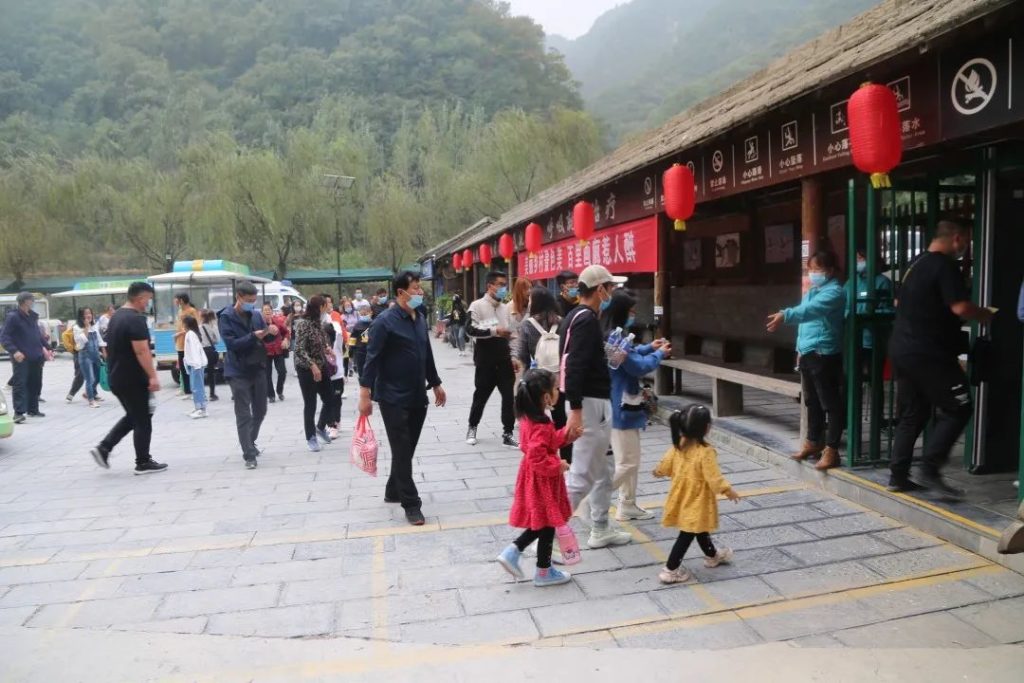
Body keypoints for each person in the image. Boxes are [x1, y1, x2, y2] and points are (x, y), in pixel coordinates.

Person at [887, 218, 994, 496]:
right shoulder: (944, 266)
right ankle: (930, 468)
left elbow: (898, 301)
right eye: (967, 241)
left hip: (902, 348)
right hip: (928, 352)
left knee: (913, 413)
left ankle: (898, 476)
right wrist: (984, 314)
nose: (965, 247)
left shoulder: (914, 264)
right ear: (957, 238)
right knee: (959, 407)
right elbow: (960, 307)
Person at [359, 270, 446, 526]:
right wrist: (364, 394)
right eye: (416, 288)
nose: (420, 292)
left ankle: (393, 489)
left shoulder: (419, 318)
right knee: (401, 447)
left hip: (418, 394)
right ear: (401, 292)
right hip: (393, 397)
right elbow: (371, 359)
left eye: (420, 287)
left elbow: (426, 354)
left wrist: (436, 383)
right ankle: (411, 504)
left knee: (406, 448)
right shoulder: (384, 322)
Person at [560, 264, 633, 548]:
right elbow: (574, 365)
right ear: (600, 289)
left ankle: (600, 527)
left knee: (604, 469)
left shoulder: (576, 316)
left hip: (591, 403)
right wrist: (576, 410)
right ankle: (546, 534)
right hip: (590, 405)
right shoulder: (586, 320)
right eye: (610, 288)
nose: (611, 293)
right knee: (581, 477)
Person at [495, 369, 583, 587]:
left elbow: (545, 443)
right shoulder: (541, 423)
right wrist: (558, 466)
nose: (558, 391)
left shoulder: (529, 418)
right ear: (546, 396)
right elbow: (538, 455)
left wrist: (567, 436)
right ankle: (532, 564)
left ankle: (526, 559)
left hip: (534, 476)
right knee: (547, 522)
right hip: (543, 480)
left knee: (545, 522)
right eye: (555, 388)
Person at [766, 250, 847, 470]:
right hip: (809, 352)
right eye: (810, 269)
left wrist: (786, 315)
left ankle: (832, 449)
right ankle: (813, 441)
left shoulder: (835, 292)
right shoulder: (813, 291)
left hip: (824, 352)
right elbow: (805, 321)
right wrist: (799, 349)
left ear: (830, 270)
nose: (812, 273)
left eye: (817, 269)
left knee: (830, 403)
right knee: (812, 401)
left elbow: (810, 311)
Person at [653, 405, 739, 584]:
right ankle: (670, 570)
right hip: (697, 500)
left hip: (681, 497)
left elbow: (665, 466)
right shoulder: (705, 451)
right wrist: (728, 490)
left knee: (698, 528)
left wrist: (658, 471)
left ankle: (712, 556)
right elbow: (714, 478)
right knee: (687, 534)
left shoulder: (679, 445)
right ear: (707, 427)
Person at [604, 290, 670, 521]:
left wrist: (649, 347)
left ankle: (627, 504)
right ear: (621, 312)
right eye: (631, 311)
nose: (633, 315)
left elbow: (630, 355)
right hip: (622, 406)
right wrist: (658, 354)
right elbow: (636, 366)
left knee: (629, 460)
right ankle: (593, 496)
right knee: (628, 462)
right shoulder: (615, 338)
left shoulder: (612, 334)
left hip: (620, 403)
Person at [89, 282, 167, 474]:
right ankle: (143, 462)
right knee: (142, 420)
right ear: (140, 298)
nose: (149, 303)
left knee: (135, 416)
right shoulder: (135, 319)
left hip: (117, 377)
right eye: (149, 299)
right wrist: (153, 376)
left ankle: (104, 448)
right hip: (133, 379)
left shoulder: (116, 317)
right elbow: (142, 351)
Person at [218, 281, 273, 470]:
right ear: (239, 297)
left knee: (260, 410)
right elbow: (231, 344)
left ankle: (250, 440)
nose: (252, 304)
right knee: (243, 413)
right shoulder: (226, 317)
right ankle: (249, 453)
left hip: (257, 367)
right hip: (237, 370)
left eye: (254, 300)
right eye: (249, 300)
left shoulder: (256, 315)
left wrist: (271, 332)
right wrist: (253, 336)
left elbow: (264, 337)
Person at [516, 287, 571, 462]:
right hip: (559, 379)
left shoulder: (527, 325)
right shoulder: (563, 322)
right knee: (561, 419)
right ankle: (567, 460)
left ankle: (545, 457)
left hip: (537, 380)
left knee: (538, 421)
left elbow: (522, 355)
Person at [465, 270, 518, 448]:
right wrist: (495, 331)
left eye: (505, 285)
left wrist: (514, 355)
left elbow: (510, 332)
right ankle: (472, 427)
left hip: (504, 359)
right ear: (490, 286)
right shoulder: (477, 306)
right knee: (480, 396)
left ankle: (508, 433)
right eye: (501, 285)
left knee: (508, 398)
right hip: (485, 360)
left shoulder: (505, 308)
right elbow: (470, 329)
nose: (504, 288)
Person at [293, 295, 335, 452]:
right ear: (318, 308)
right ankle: (310, 437)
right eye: (324, 306)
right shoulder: (303, 324)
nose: (327, 309)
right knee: (310, 403)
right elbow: (299, 349)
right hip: (306, 368)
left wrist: (327, 348)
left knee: (330, 398)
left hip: (321, 364)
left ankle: (320, 427)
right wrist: (312, 366)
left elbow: (322, 341)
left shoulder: (319, 323)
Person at [0, 292, 48, 423]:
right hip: (21, 356)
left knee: (35, 382)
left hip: (36, 355)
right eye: (32, 299)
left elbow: (37, 335)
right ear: (25, 301)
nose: (33, 301)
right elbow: (4, 337)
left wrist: (48, 348)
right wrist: (14, 351)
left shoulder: (32, 316)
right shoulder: (13, 317)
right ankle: (18, 413)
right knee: (20, 383)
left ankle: (33, 409)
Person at [850, 248, 895, 378]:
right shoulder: (853, 281)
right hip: (853, 338)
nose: (858, 262)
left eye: (861, 259)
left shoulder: (883, 282)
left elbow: (889, 309)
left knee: (874, 376)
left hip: (874, 339)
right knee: (854, 377)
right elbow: (844, 304)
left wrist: (868, 314)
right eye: (856, 259)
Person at [73, 307, 105, 408]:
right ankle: (91, 400)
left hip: (95, 354)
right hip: (85, 355)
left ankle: (89, 393)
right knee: (90, 379)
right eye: (86, 313)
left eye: (90, 313)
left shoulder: (94, 326)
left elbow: (99, 340)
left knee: (98, 377)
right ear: (81, 316)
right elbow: (82, 342)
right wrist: (86, 327)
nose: (88, 315)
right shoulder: (77, 328)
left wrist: (104, 351)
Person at [261, 303, 290, 403]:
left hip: (278, 350)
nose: (267, 311)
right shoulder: (259, 324)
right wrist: (267, 330)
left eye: (269, 309)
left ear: (272, 311)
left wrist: (285, 340)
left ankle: (279, 390)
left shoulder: (278, 321)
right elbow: (256, 336)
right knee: (267, 374)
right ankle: (271, 395)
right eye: (265, 310)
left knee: (282, 372)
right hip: (265, 352)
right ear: (262, 312)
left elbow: (286, 332)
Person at [172, 293, 199, 396]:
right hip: (180, 343)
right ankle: (186, 390)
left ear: (181, 300)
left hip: (188, 343)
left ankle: (193, 389)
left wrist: (181, 333)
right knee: (183, 368)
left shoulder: (192, 311)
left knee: (191, 367)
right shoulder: (180, 311)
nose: (175, 302)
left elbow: (196, 326)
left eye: (176, 299)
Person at [182, 315, 208, 419]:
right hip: (195, 364)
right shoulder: (192, 333)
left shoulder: (190, 334)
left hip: (196, 364)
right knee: (195, 387)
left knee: (197, 387)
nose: (182, 325)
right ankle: (198, 407)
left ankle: (201, 409)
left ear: (187, 324)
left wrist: (196, 365)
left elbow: (194, 350)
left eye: (183, 323)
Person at [324, 320, 346, 440]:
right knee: (328, 401)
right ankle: (331, 423)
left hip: (337, 377)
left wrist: (333, 323)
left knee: (336, 400)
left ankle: (335, 423)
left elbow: (339, 332)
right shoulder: (320, 344)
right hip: (325, 377)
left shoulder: (337, 343)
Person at [508, 277, 532, 375]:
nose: (529, 291)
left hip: (530, 354)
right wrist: (512, 357)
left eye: (530, 288)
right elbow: (510, 332)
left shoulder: (532, 307)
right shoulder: (508, 307)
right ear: (518, 290)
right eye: (526, 288)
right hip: (514, 354)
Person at [199, 309, 221, 402]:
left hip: (201, 351)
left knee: (200, 373)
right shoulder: (213, 327)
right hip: (210, 351)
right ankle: (212, 394)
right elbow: (218, 340)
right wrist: (212, 341)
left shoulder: (199, 327)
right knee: (211, 373)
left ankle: (201, 395)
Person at [349, 300, 373, 375]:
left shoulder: (375, 324)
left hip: (372, 351)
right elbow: (353, 338)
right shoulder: (357, 325)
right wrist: (351, 351)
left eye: (366, 314)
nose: (364, 315)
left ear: (371, 313)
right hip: (360, 351)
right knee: (361, 371)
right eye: (362, 314)